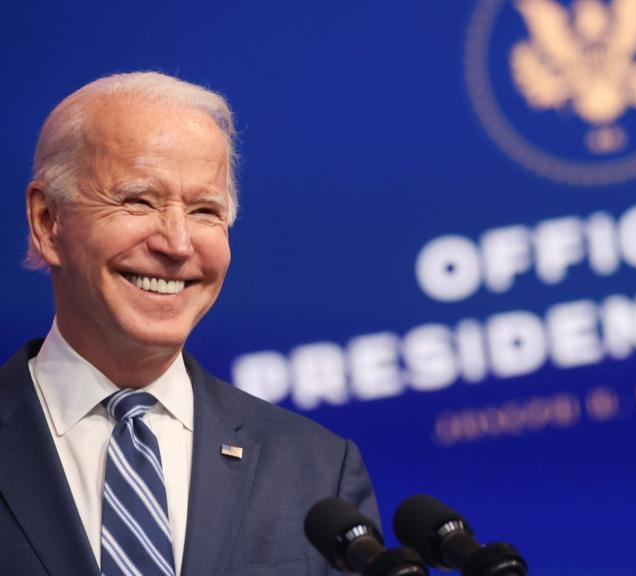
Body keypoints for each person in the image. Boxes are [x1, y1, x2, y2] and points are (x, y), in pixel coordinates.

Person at [0, 72, 377, 576]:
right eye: (138, 201)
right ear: (47, 221)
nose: (177, 245)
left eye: (204, 210)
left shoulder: (317, 471)